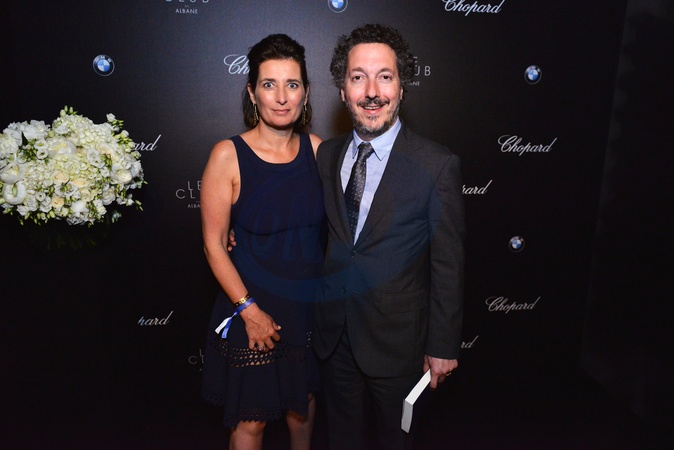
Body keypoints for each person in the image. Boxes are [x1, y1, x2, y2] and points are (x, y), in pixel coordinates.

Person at [313, 24, 466, 450]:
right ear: (342, 91)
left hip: (399, 345)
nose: (372, 92)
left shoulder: (436, 165)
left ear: (401, 88)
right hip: (334, 338)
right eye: (357, 77)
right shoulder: (327, 155)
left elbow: (448, 263)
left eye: (385, 76)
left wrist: (443, 345)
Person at [200, 34, 324, 450]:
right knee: (250, 423)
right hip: (249, 307)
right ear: (252, 93)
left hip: (305, 310)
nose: (282, 97)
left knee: (302, 411)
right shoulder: (227, 155)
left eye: (292, 84)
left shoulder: (318, 151)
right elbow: (214, 245)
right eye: (269, 84)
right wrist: (249, 311)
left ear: (306, 92)